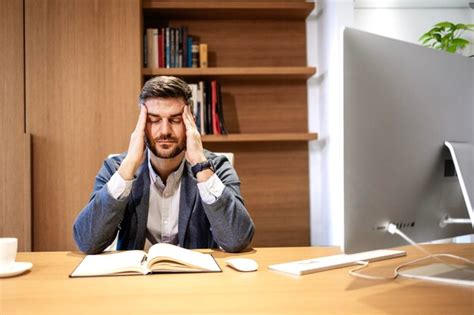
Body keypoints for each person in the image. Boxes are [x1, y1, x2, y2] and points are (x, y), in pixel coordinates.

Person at [73, 76, 254, 254]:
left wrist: (200, 164)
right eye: (154, 120)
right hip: (136, 280)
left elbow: (237, 240)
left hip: (197, 281)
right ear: (142, 124)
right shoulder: (117, 169)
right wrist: (129, 166)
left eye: (175, 120)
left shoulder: (215, 167)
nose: (165, 131)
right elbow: (86, 241)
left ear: (190, 121)